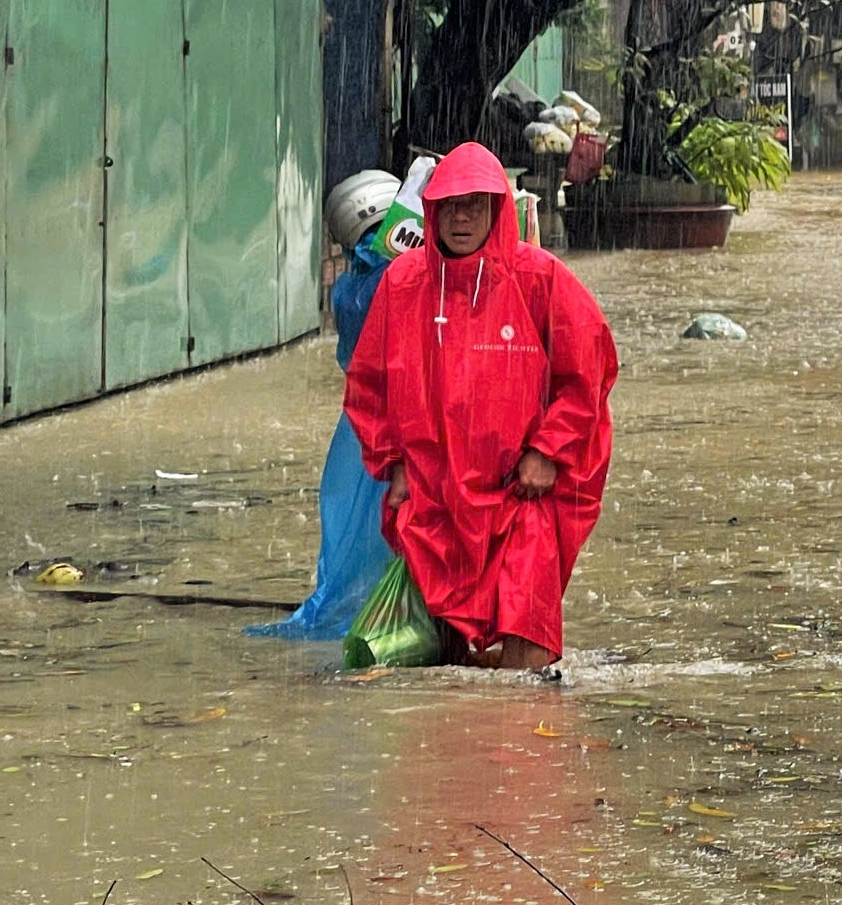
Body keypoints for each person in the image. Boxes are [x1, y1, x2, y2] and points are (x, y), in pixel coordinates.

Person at [344, 143, 618, 670]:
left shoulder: (539, 277)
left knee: (526, 622)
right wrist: (395, 464)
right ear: (432, 211)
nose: (462, 218)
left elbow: (588, 369)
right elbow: (368, 386)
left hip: (520, 492)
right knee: (445, 648)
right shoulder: (403, 284)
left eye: (475, 204)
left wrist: (547, 450)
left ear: (498, 209)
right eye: (450, 205)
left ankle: (522, 719)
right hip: (435, 494)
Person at [248, 169, 404, 640]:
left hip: (365, 429)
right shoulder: (397, 276)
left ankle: (384, 608)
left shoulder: (352, 287)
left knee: (367, 529)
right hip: (401, 426)